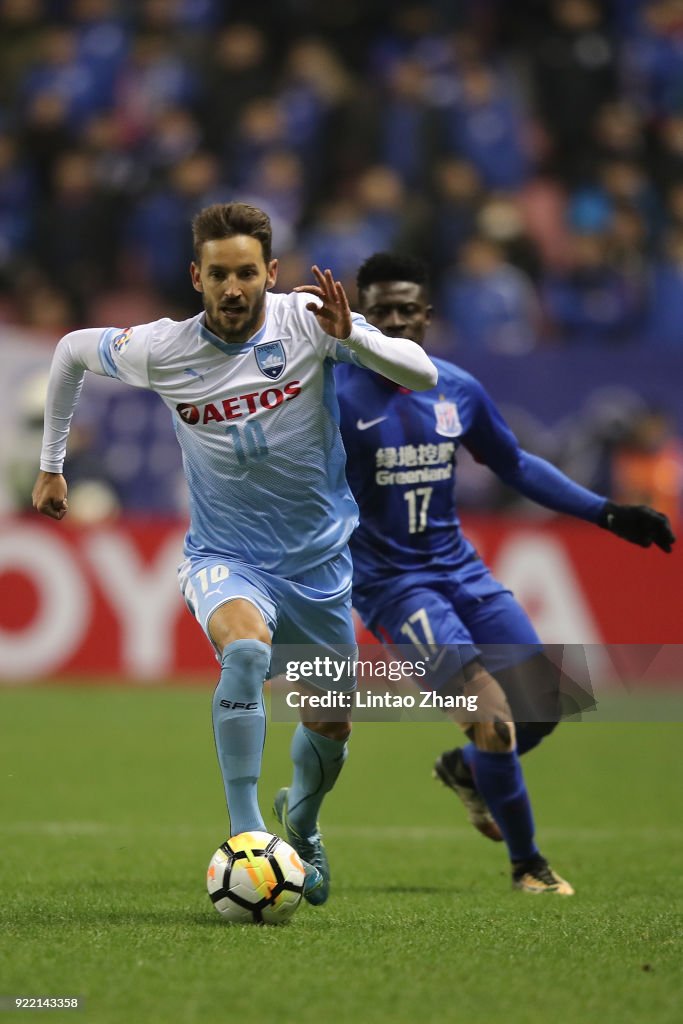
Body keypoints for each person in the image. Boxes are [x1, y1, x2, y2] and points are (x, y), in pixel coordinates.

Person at [31, 204, 438, 906]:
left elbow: (422, 372)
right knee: (246, 653)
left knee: (331, 726)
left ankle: (300, 827)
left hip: (317, 566)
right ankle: (248, 833)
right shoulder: (163, 348)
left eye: (246, 272)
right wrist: (52, 465)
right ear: (196, 276)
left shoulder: (311, 319)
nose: (232, 287)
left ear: (269, 273)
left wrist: (356, 340)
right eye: (217, 273)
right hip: (226, 555)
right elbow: (69, 351)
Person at [336, 252, 675, 895]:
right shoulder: (335, 395)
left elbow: (515, 464)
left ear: (428, 316)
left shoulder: (456, 387)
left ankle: (468, 772)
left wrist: (606, 513)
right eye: (382, 311)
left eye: (409, 309)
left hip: (459, 568)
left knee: (542, 707)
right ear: (363, 319)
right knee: (491, 714)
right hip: (391, 586)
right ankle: (528, 865)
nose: (398, 321)